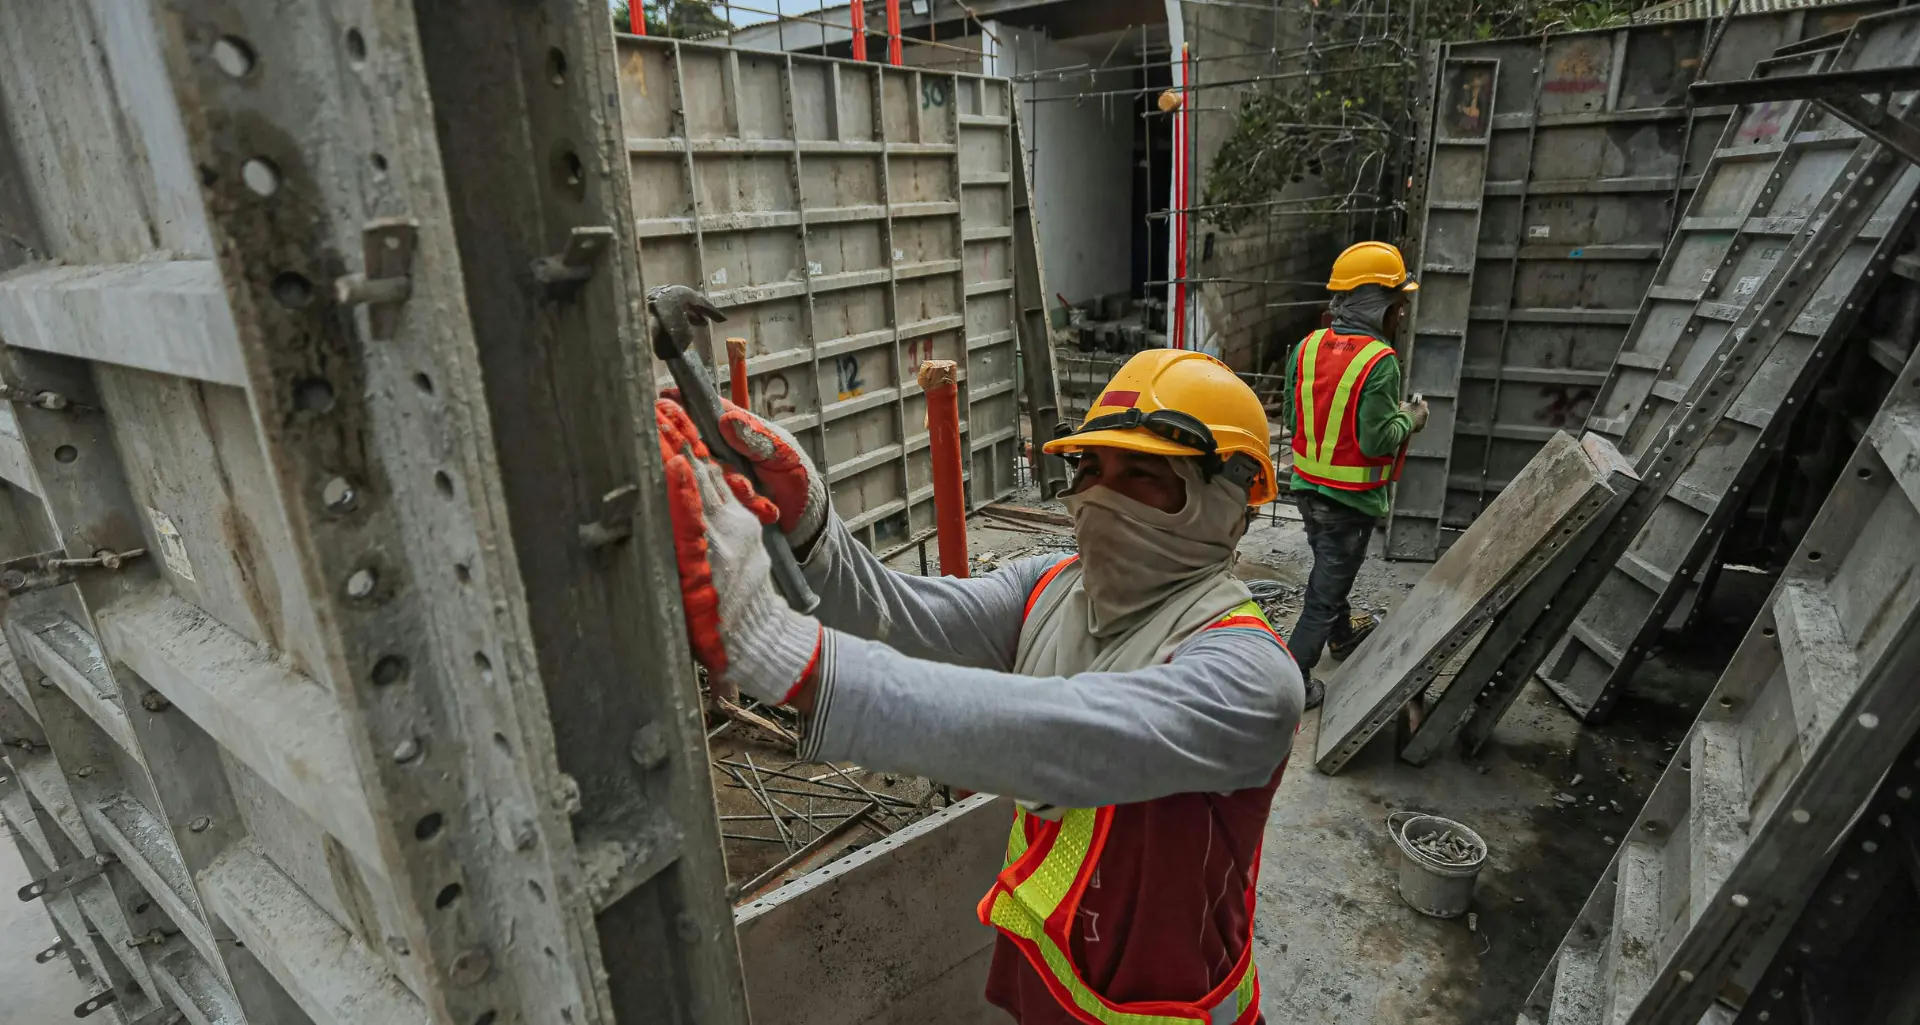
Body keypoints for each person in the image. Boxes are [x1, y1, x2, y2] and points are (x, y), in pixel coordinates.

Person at [654, 348, 1304, 1025]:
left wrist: (786, 654)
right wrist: (812, 527)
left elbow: (1068, 738)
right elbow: (903, 619)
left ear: (1231, 505)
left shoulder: (1252, 675)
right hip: (1046, 982)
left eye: (1142, 473)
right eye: (1089, 469)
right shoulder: (1053, 587)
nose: (1101, 496)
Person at [1285, 241, 1430, 709]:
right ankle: (1293, 680)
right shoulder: (1379, 361)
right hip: (1349, 501)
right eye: (1398, 304)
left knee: (1331, 575)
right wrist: (1411, 418)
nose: (1402, 314)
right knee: (1323, 594)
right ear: (1377, 304)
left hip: (1307, 489)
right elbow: (1375, 441)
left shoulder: (1307, 347)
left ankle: (1343, 636)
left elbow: (1292, 414)